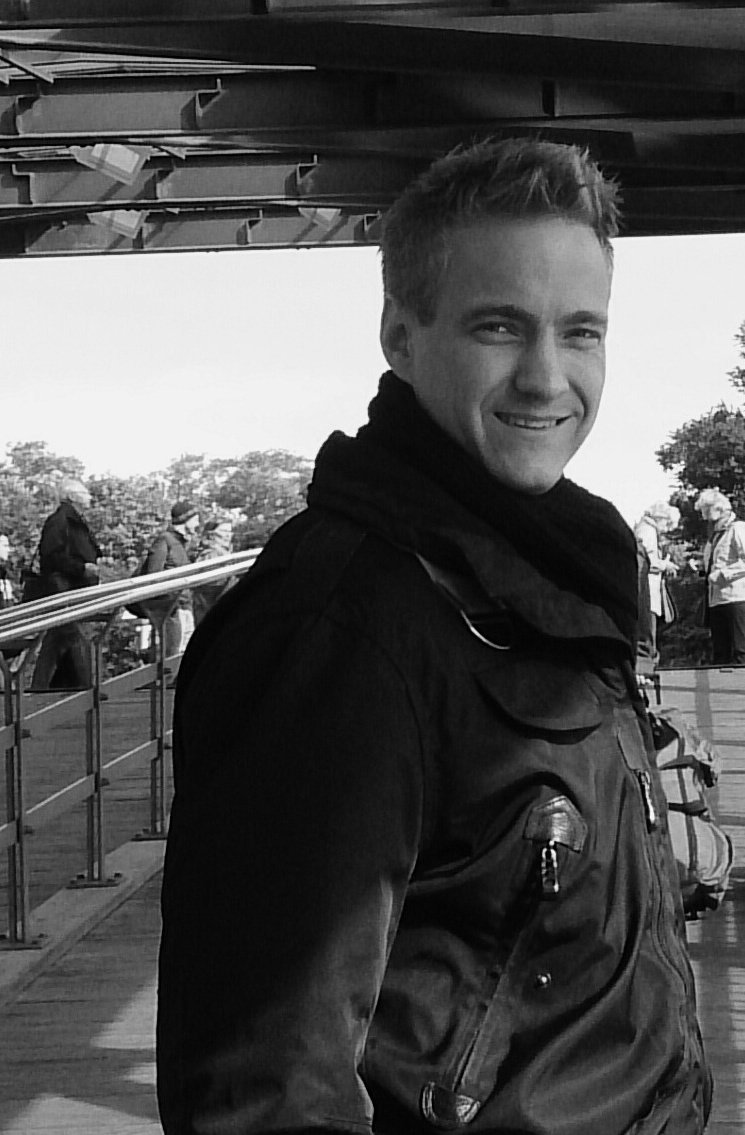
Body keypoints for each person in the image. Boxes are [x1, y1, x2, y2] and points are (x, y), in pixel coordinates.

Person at [157, 138, 711, 1135]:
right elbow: (265, 1087)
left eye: (580, 332)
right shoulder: (338, 633)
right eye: (499, 326)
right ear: (400, 336)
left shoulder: (543, 571)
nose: (546, 377)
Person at [29, 478, 101, 691]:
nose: (89, 497)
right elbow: (51, 556)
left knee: (55, 640)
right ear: (72, 496)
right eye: (85, 493)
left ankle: (38, 687)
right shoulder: (60, 521)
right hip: (64, 590)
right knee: (75, 635)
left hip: (73, 589)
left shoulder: (74, 521)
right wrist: (82, 568)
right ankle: (88, 686)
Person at [694, 487, 745, 665]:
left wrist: (722, 574)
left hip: (736, 596)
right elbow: (717, 562)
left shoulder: (738, 529)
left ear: (719, 509)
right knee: (720, 652)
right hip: (716, 599)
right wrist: (701, 567)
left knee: (740, 647)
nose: (704, 517)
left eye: (706, 511)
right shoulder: (715, 535)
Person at [143, 501, 200, 658]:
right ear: (185, 520)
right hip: (171, 608)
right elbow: (153, 575)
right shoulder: (164, 540)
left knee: (184, 657)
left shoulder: (183, 544)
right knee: (171, 656)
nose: (198, 524)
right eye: (195, 519)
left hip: (184, 606)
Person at [634, 500, 680, 662]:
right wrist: (664, 565)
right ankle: (647, 665)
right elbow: (644, 560)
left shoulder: (645, 529)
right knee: (647, 636)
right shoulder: (647, 532)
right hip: (646, 593)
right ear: (661, 518)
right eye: (667, 525)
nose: (666, 530)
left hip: (647, 592)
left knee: (649, 634)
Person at [191, 516, 235, 627]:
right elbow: (210, 584)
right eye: (224, 531)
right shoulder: (211, 555)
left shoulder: (225, 554)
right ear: (211, 534)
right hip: (210, 609)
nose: (228, 535)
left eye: (229, 532)